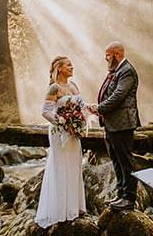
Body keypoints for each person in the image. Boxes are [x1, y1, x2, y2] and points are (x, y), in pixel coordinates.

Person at [35, 56, 96, 228]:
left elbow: (81, 107)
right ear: (60, 68)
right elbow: (46, 112)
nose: (72, 67)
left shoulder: (73, 86)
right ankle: (59, 211)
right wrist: (63, 122)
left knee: (74, 165)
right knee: (60, 166)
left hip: (73, 134)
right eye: (69, 65)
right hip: (59, 133)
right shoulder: (54, 88)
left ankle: (74, 208)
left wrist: (93, 109)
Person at [93, 42, 141, 211]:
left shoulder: (127, 70)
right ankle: (121, 194)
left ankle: (129, 198)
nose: (105, 58)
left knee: (126, 161)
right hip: (111, 124)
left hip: (123, 124)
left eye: (108, 55)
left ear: (118, 54)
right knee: (116, 160)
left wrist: (99, 108)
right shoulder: (116, 70)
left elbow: (118, 96)